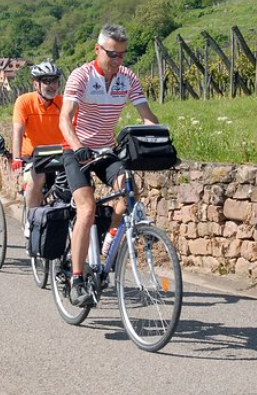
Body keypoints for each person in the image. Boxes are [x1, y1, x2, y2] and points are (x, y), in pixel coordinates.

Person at [59, 24, 159, 307]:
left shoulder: (127, 77)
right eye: (112, 55)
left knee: (129, 192)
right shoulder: (81, 76)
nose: (118, 61)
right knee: (87, 209)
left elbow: (146, 115)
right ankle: (77, 278)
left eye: (122, 55)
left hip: (106, 149)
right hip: (76, 150)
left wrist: (157, 139)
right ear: (98, 50)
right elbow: (65, 119)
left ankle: (107, 242)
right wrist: (78, 148)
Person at [11, 61, 64, 237]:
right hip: (33, 156)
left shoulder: (63, 103)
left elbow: (75, 127)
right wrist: (16, 157)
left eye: (54, 81)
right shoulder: (24, 101)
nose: (51, 85)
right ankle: (32, 220)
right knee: (38, 176)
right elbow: (18, 129)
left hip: (60, 154)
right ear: (36, 84)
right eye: (46, 81)